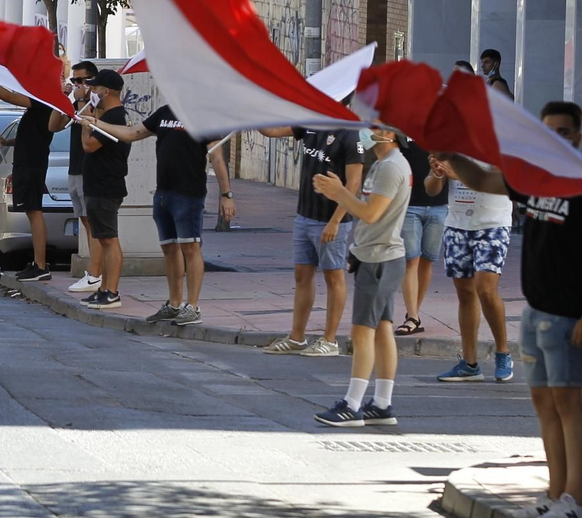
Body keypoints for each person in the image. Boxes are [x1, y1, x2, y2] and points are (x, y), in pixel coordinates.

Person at [437, 102, 582, 518]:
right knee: (545, 403)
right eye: (548, 130)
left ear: (578, 136)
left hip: (569, 316)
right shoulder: (534, 178)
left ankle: (575, 499)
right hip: (536, 313)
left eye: (565, 131)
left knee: (571, 406)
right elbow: (483, 178)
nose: (555, 138)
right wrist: (451, 155)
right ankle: (554, 493)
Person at [95, 101, 233, 325]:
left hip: (189, 193)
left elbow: (216, 156)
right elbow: (132, 132)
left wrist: (226, 194)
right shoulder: (165, 112)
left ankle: (193, 306)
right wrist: (98, 123)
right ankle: (174, 303)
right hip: (163, 193)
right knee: (169, 248)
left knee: (191, 247)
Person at [310, 126, 411, 427]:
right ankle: (382, 403)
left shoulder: (392, 166)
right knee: (381, 328)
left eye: (377, 127)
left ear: (391, 135)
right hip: (377, 255)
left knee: (362, 331)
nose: (369, 131)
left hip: (381, 258)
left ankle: (352, 405)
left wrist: (339, 192)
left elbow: (371, 214)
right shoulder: (383, 163)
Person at [258, 123, 365, 356]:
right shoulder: (309, 123)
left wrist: (336, 220)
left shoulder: (349, 133)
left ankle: (330, 340)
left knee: (333, 275)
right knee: (302, 275)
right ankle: (297, 337)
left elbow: (353, 183)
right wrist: (252, 111)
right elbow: (271, 131)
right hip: (304, 215)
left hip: (331, 219)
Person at [427, 153, 515, 383]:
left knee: (486, 290)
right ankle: (469, 363)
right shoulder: (451, 147)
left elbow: (504, 183)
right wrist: (437, 174)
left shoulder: (493, 144)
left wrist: (463, 175)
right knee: (465, 294)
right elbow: (431, 189)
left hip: (493, 224)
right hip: (457, 224)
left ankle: (503, 353)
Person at [0, 80, 65, 284]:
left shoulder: (43, 101)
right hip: (26, 163)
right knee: (31, 211)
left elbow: (8, 97)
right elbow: (32, 135)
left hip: (32, 164)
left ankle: (40, 265)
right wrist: (6, 142)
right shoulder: (39, 108)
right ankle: (37, 263)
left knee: (34, 211)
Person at [75, 70, 132, 310]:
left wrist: (86, 123)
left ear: (106, 91)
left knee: (109, 239)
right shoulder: (107, 116)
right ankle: (103, 289)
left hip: (106, 186)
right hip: (98, 185)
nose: (91, 92)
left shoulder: (115, 118)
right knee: (104, 237)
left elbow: (89, 145)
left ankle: (111, 291)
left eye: (95, 88)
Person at [395, 135, 448, 337]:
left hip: (439, 205)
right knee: (411, 259)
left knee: (427, 260)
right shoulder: (402, 130)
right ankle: (413, 317)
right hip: (409, 204)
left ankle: (413, 313)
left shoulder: (443, 131)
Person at [58, 61, 101, 293]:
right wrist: (63, 99)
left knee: (94, 224)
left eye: (81, 81)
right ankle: (94, 272)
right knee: (84, 222)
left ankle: (96, 274)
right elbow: (55, 126)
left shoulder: (97, 104)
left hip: (89, 170)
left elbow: (92, 123)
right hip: (74, 167)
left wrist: (83, 100)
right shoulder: (75, 103)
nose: (77, 85)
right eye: (74, 81)